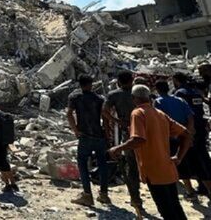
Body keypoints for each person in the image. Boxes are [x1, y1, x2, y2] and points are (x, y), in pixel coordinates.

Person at [109, 85, 190, 220]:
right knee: (175, 207)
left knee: (166, 210)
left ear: (134, 98)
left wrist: (117, 148)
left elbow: (139, 139)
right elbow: (186, 134)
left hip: (153, 170)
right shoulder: (160, 114)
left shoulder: (138, 113)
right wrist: (179, 156)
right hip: (167, 168)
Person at [154, 80, 207, 199]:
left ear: (157, 89)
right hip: (185, 134)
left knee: (180, 164)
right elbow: (190, 117)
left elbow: (160, 121)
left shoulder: (158, 102)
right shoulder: (180, 100)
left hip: (172, 136)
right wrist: (189, 132)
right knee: (196, 162)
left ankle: (190, 192)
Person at [103, 70, 143, 211]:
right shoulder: (140, 92)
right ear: (132, 80)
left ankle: (136, 198)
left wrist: (116, 121)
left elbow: (104, 111)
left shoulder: (114, 95)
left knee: (132, 166)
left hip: (128, 132)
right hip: (146, 131)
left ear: (119, 82)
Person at [67, 74, 110, 206]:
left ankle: (87, 194)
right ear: (91, 84)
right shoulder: (99, 98)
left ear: (79, 84)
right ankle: (104, 194)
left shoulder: (75, 97)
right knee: (102, 164)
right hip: (99, 135)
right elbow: (105, 117)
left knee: (82, 163)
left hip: (84, 135)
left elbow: (69, 114)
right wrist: (107, 133)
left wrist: (75, 130)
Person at [172, 72, 211, 199]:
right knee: (203, 158)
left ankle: (192, 191)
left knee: (187, 160)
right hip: (200, 130)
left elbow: (183, 113)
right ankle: (204, 187)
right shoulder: (196, 92)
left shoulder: (180, 93)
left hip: (189, 131)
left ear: (176, 80)